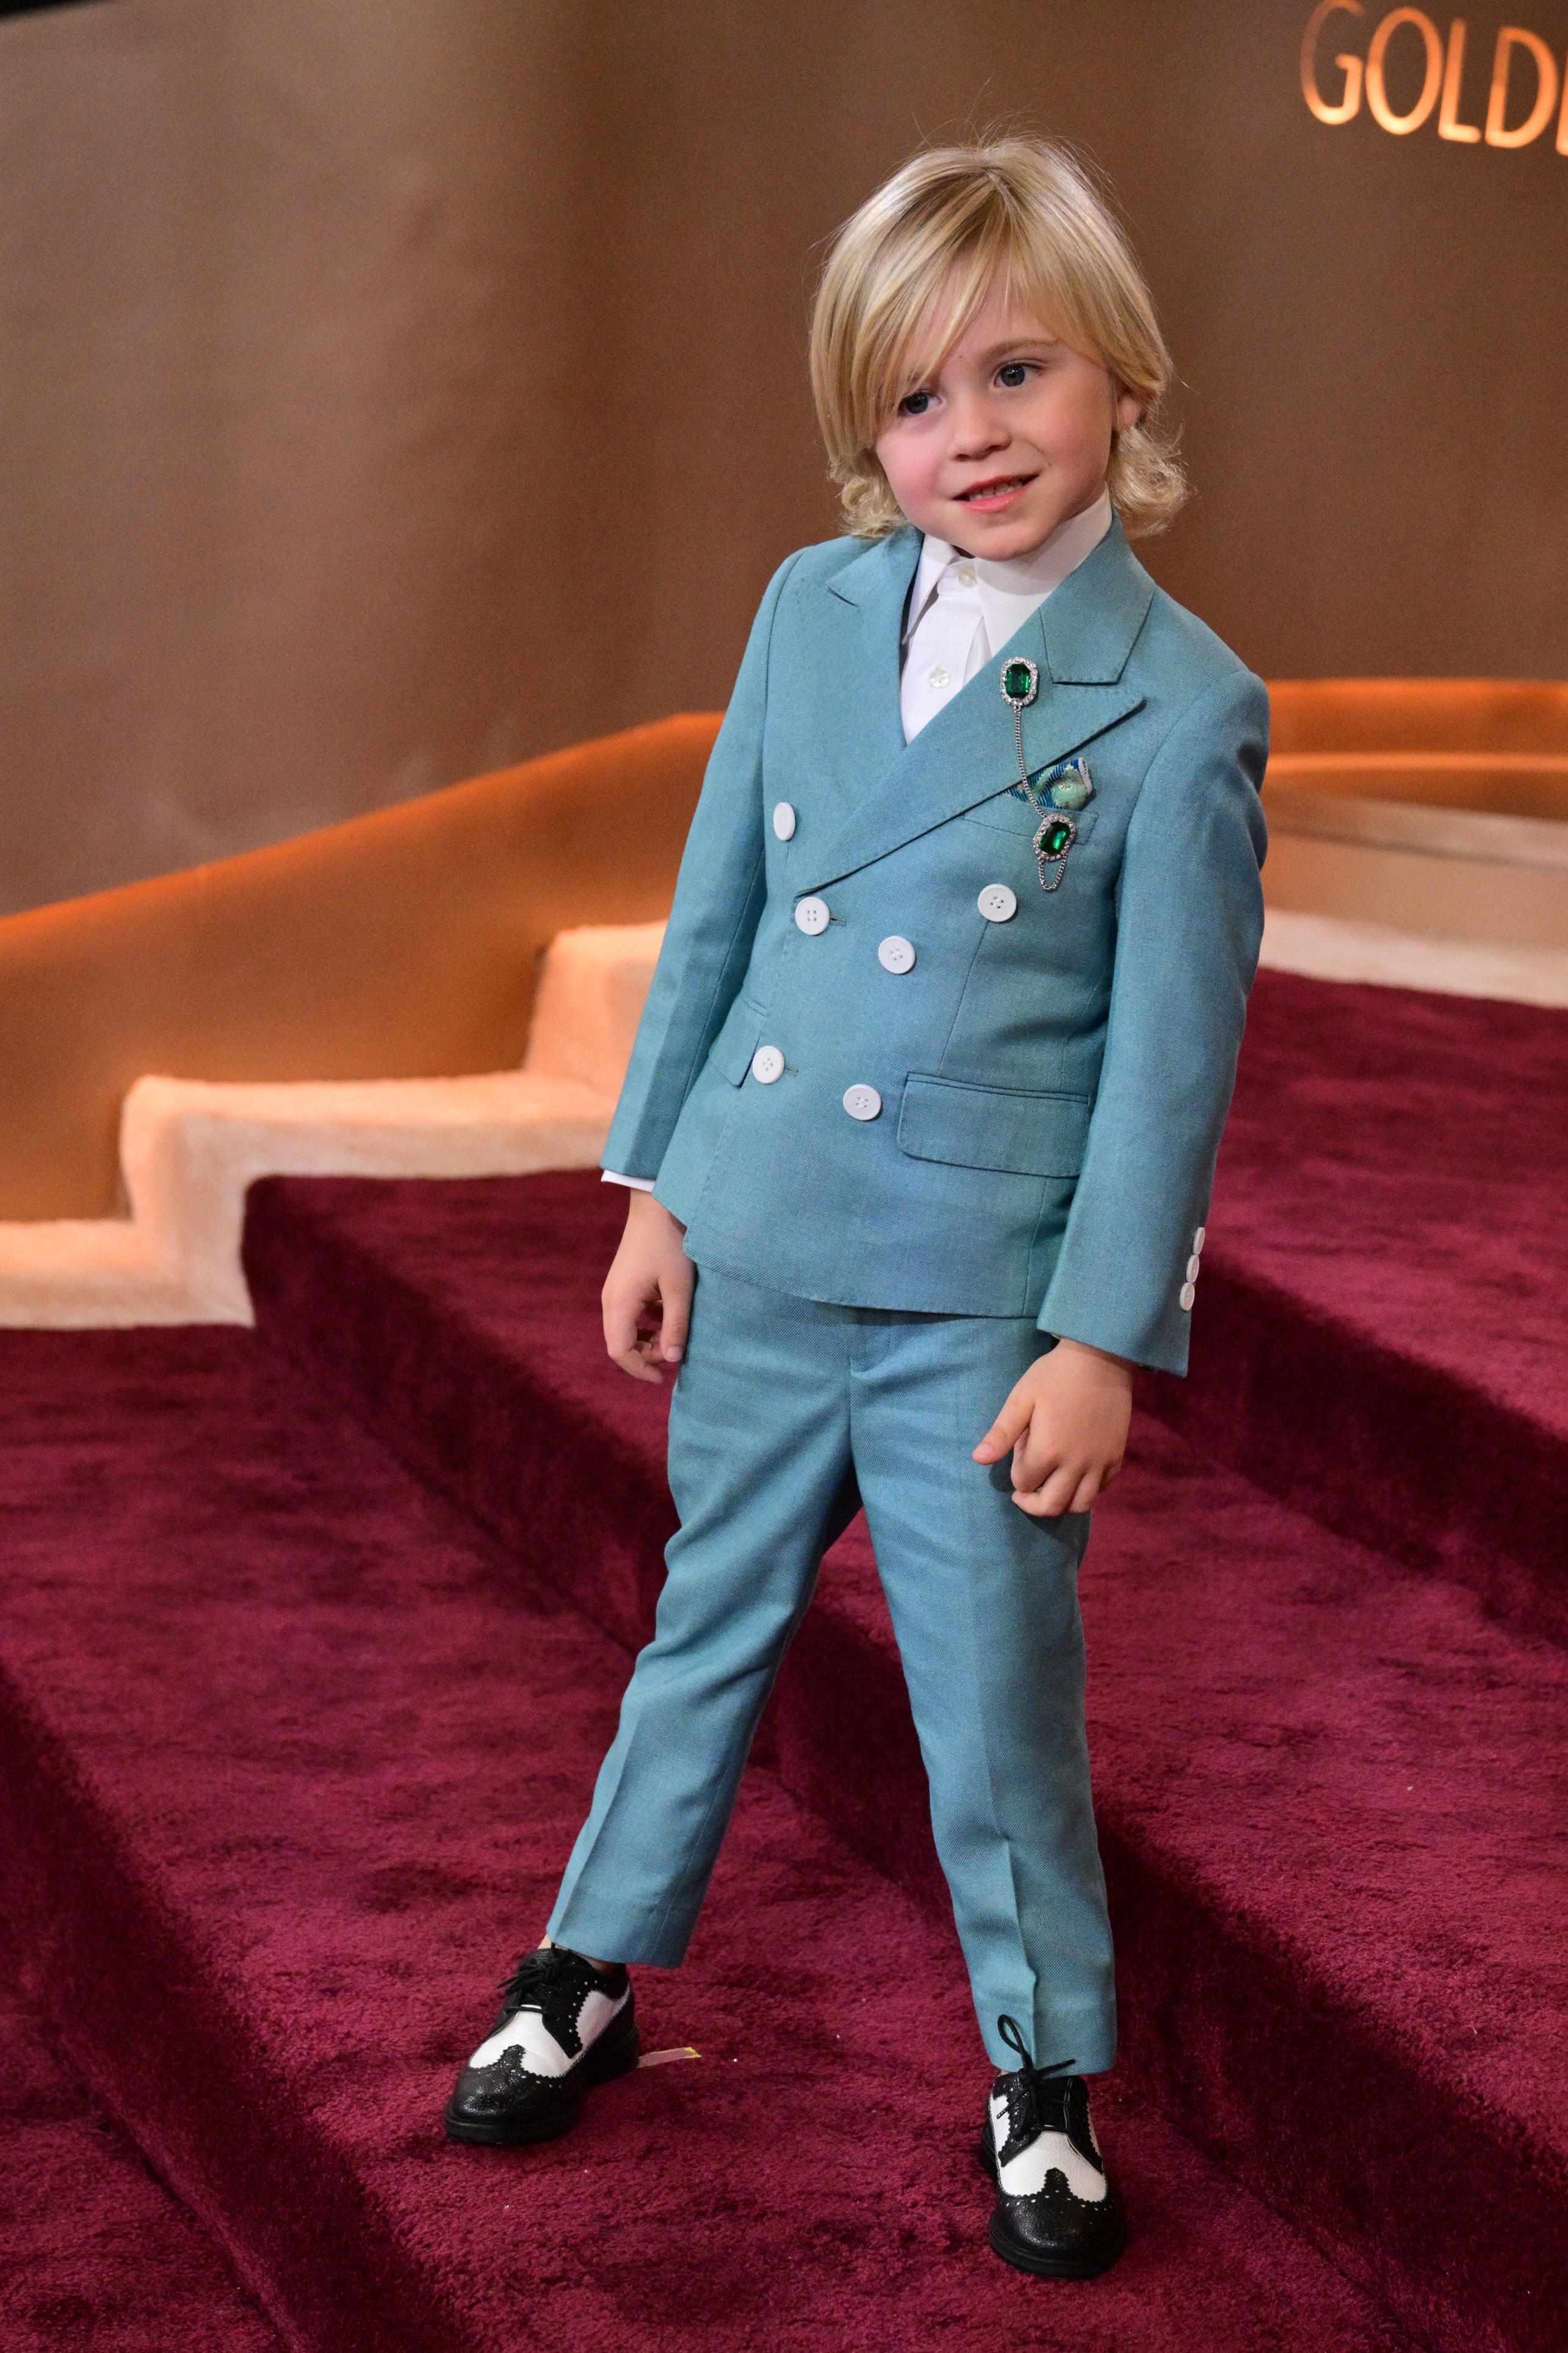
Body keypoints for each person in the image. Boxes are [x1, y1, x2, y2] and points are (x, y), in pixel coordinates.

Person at [445, 135, 1267, 2282]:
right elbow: (721, 909)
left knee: (991, 1701)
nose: (965, 434)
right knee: (698, 1628)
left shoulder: (1181, 705)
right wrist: (658, 1185)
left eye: (1015, 373)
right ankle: (589, 1969)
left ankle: (1042, 2070)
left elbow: (1164, 1070)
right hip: (765, 1231)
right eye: (911, 398)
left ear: (1122, 380)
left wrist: (1099, 1336)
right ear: (862, 434)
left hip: (973, 1301)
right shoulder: (806, 607)